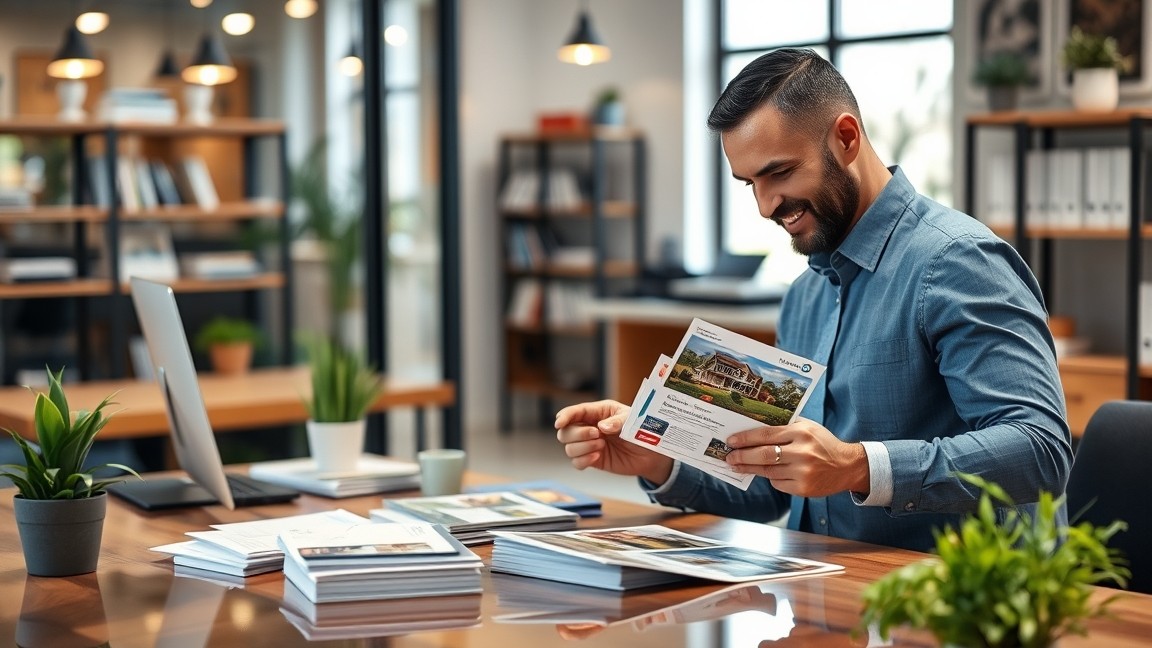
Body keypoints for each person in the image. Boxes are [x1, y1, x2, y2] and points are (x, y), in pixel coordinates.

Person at [554, 48, 1072, 552]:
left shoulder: (957, 262)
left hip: (954, 606)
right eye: (749, 183)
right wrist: (657, 459)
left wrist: (856, 465)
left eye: (778, 173)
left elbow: (1041, 448)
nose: (764, 206)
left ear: (846, 138)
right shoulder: (804, 297)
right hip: (822, 600)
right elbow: (766, 488)